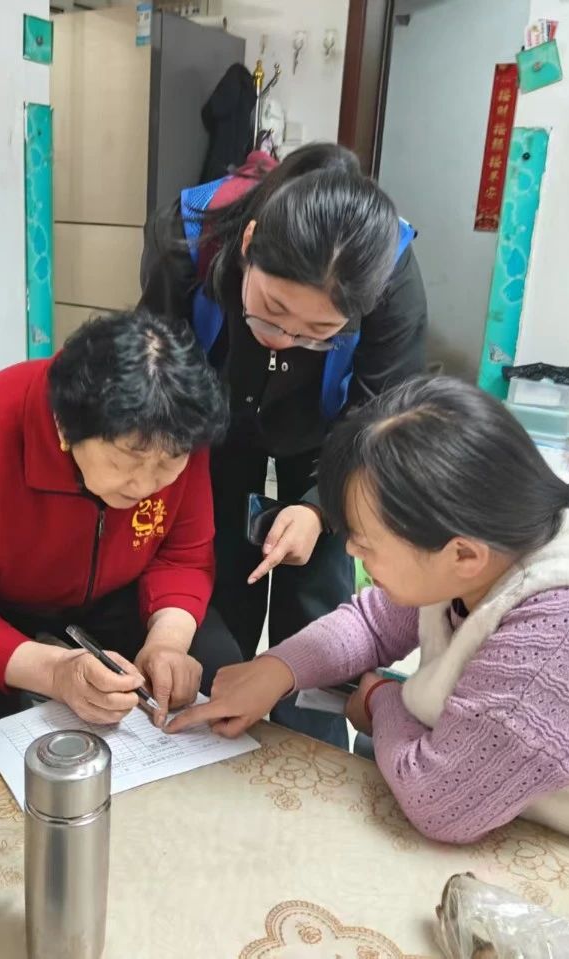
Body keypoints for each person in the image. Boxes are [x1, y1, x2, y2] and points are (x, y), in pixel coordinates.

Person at [170, 377, 569, 921]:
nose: (355, 554)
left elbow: (437, 801)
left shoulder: (565, 634)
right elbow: (374, 619)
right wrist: (279, 668)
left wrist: (380, 699)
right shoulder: (495, 531)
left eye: (365, 543)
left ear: (461, 555)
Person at [140, 142, 428, 747]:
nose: (284, 339)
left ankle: (309, 751)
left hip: (332, 434)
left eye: (318, 332)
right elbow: (160, 368)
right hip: (214, 413)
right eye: (271, 311)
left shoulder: (390, 271)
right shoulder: (188, 236)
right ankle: (213, 728)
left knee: (318, 588)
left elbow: (379, 417)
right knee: (216, 568)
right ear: (248, 244)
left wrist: (320, 508)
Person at [0, 310, 238, 791]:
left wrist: (167, 642)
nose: (146, 485)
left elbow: (182, 555)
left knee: (218, 671)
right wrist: (57, 673)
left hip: (113, 585)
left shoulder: (176, 430)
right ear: (66, 429)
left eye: (168, 464)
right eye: (126, 461)